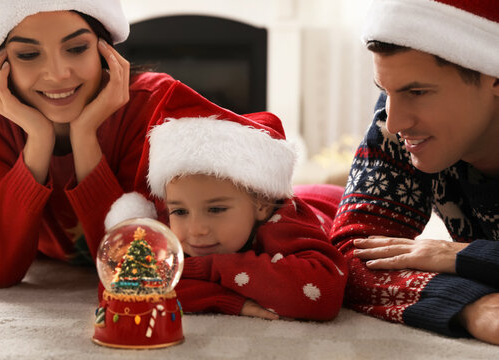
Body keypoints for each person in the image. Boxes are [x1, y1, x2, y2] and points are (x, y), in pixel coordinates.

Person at [0, 0, 189, 288]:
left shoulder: (154, 105)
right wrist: (39, 139)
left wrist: (84, 138)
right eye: (29, 54)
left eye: (77, 48)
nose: (57, 74)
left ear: (104, 48)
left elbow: (138, 273)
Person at [104, 81, 348, 320]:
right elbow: (119, 289)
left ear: (262, 204)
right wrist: (224, 300)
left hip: (328, 201)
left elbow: (324, 295)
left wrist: (209, 268)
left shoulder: (283, 222)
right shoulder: (170, 221)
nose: (196, 229)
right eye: (180, 212)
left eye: (216, 209)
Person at [330, 0, 499, 345]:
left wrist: (463, 256)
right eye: (385, 92)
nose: (395, 123)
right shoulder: (395, 123)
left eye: (418, 92)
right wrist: (472, 305)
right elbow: (352, 251)